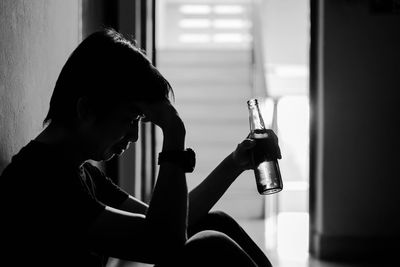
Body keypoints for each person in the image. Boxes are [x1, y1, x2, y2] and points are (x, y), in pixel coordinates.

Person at [0, 28, 278, 267]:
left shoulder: (82, 173)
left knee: (214, 222)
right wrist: (173, 133)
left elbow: (171, 220)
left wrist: (234, 163)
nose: (134, 135)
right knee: (210, 245)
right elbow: (163, 241)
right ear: (86, 109)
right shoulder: (39, 179)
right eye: (129, 119)